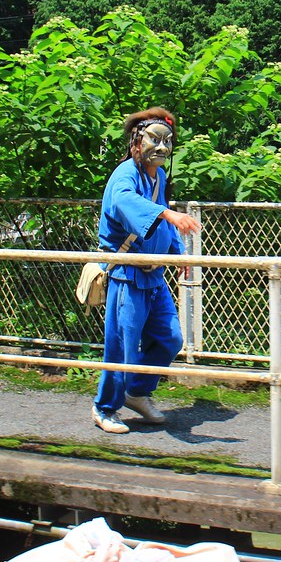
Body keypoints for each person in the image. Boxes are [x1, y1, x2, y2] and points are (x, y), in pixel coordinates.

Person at [92, 107, 203, 434]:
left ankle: (137, 392)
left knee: (170, 338)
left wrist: (179, 254)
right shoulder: (124, 175)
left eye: (167, 141)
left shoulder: (160, 177)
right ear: (136, 143)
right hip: (126, 275)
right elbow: (126, 204)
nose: (163, 147)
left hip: (153, 275)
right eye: (155, 139)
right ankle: (104, 408)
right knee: (121, 345)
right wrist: (169, 217)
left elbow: (163, 215)